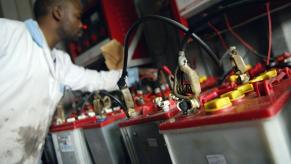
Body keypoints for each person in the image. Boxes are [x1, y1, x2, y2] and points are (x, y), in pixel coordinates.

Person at [0, 0, 122, 163]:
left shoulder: (59, 62)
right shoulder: (8, 32)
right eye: (78, 17)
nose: (82, 25)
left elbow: (96, 80)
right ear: (58, 12)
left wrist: (131, 74)